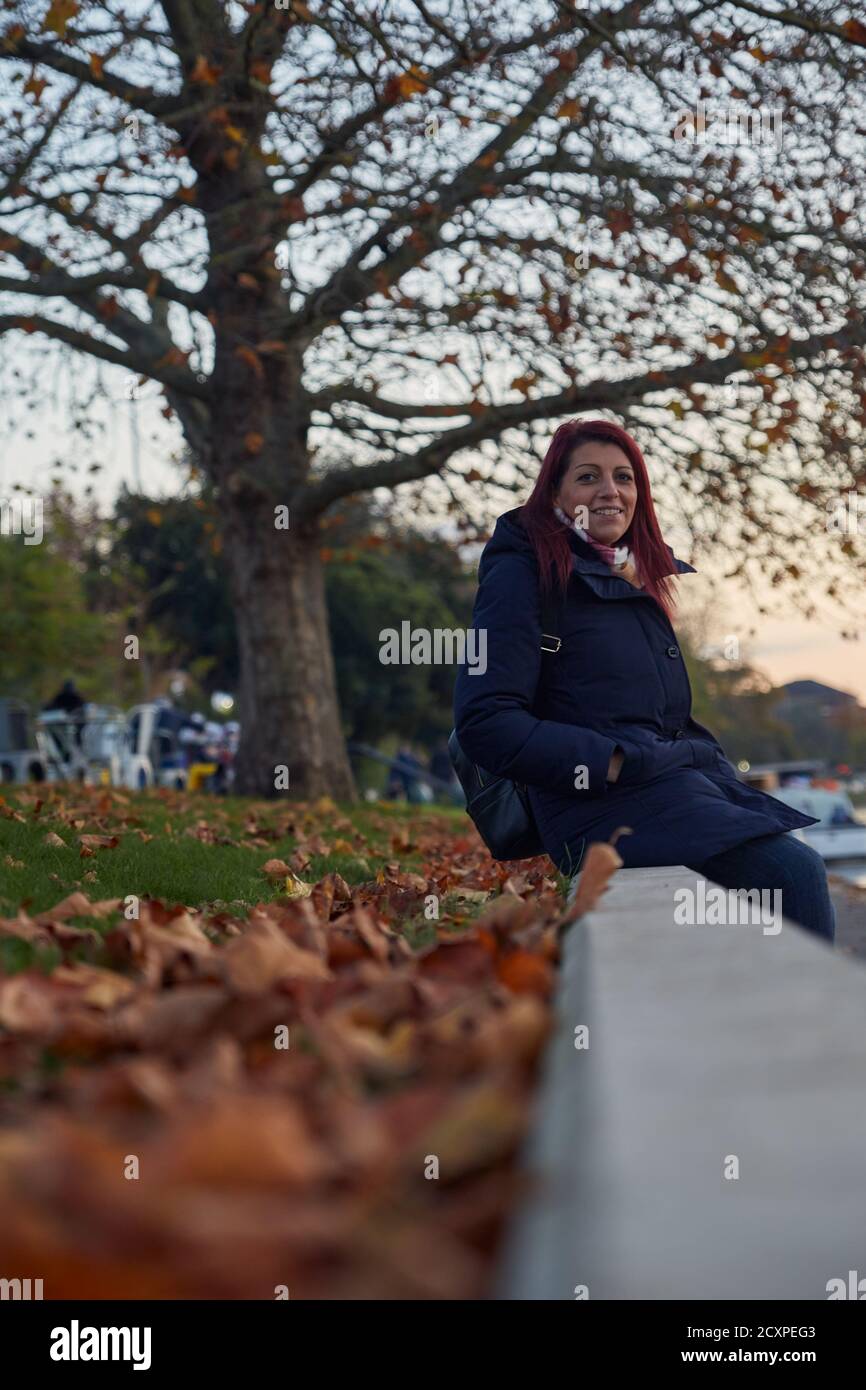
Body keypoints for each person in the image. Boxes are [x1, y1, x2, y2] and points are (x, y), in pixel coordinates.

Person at [453, 418, 835, 942]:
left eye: (625, 478)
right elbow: (484, 720)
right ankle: (814, 1025)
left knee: (784, 867)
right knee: (792, 872)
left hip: (668, 787)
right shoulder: (522, 575)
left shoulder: (631, 579)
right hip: (594, 806)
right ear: (556, 493)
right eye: (588, 477)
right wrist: (607, 763)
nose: (610, 491)